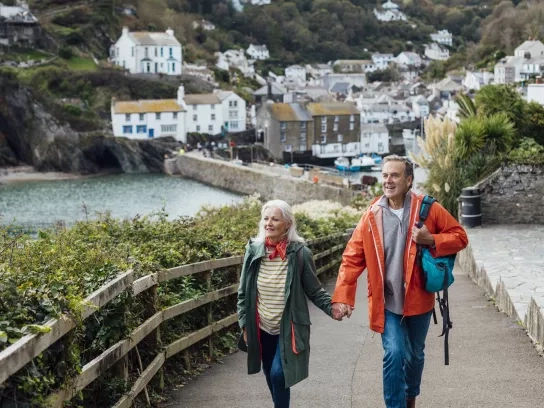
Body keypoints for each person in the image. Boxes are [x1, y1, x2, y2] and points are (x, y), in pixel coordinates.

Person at [331, 155, 468, 408]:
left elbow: (460, 237)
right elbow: (352, 258)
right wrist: (342, 297)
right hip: (387, 301)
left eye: (394, 175)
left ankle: (410, 396)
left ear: (409, 180)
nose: (388, 180)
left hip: (419, 300)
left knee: (414, 356)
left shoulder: (428, 209)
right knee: (393, 354)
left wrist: (432, 240)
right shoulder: (372, 215)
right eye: (384, 175)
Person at [237, 200, 339, 408]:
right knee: (269, 373)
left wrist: (333, 308)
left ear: (288, 223)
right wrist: (244, 324)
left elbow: (314, 290)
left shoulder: (300, 254)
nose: (269, 223)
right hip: (261, 327)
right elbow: (243, 292)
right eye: (266, 218)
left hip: (288, 328)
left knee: (278, 375)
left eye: (275, 218)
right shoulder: (254, 250)